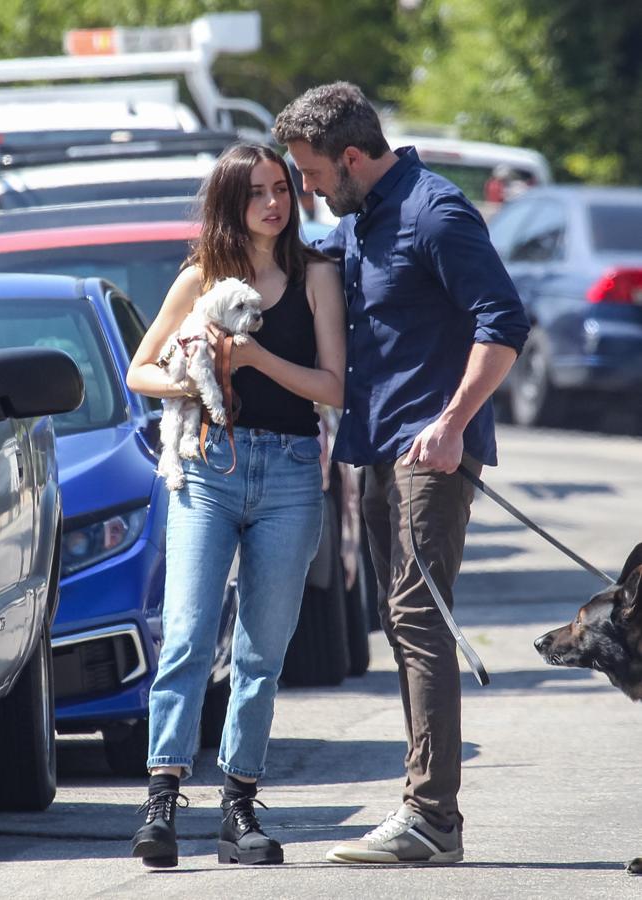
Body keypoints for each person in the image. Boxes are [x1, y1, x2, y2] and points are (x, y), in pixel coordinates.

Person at [274, 82, 530, 865]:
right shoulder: (360, 219)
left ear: (351, 157)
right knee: (400, 621)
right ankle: (426, 812)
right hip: (379, 446)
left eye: (313, 173)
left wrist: (452, 424)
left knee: (417, 620)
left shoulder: (434, 212)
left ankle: (431, 818)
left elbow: (503, 322)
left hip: (431, 451)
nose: (308, 189)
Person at [126, 142, 346, 868]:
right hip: (207, 468)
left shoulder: (316, 275)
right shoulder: (201, 277)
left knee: (260, 652)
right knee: (188, 635)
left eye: (281, 188)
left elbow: (333, 387)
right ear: (229, 200)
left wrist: (253, 359)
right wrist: (196, 381)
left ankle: (238, 806)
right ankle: (161, 800)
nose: (273, 203)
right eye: (256, 192)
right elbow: (139, 371)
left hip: (290, 473)